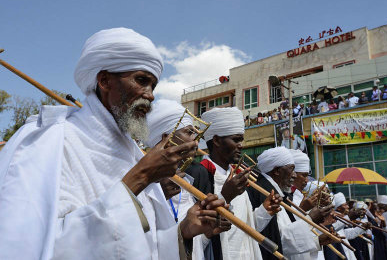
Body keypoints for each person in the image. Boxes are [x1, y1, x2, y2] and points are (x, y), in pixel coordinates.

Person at [0, 28, 227, 260]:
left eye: (153, 86)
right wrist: (141, 177)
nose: (150, 96)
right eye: (141, 81)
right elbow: (35, 246)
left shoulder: (132, 152)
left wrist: (186, 231)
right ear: (104, 80)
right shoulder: (49, 143)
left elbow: (143, 246)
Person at [186, 107, 281, 260]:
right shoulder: (198, 175)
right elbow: (193, 238)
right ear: (216, 140)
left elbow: (245, 230)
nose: (241, 145)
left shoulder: (238, 178)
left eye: (241, 140)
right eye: (236, 139)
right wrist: (225, 197)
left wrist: (265, 210)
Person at [145, 99, 233, 260]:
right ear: (166, 137)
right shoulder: (143, 185)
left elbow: (194, 249)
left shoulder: (186, 184)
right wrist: (159, 195)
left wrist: (206, 232)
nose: (196, 141)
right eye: (189, 132)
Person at [247, 147, 335, 259]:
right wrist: (309, 219)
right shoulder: (263, 194)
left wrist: (317, 241)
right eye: (292, 169)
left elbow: (283, 237)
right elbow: (275, 243)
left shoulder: (276, 193)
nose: (294, 175)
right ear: (277, 171)